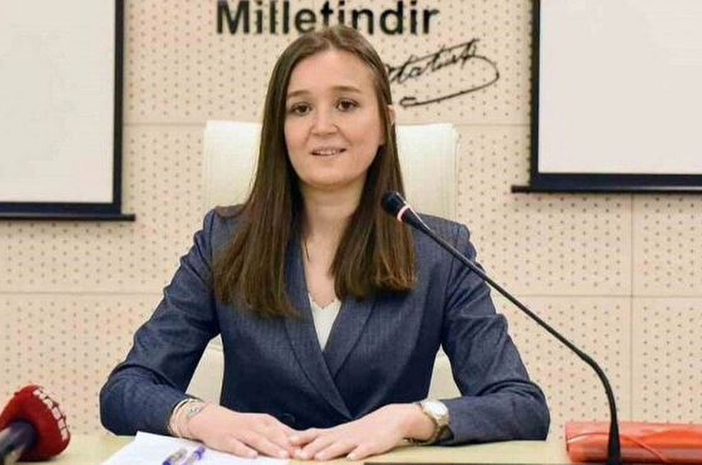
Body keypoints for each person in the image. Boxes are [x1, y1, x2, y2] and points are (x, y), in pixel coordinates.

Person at [100, 25, 549, 461]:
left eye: (346, 104)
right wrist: (201, 417)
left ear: (385, 124)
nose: (322, 126)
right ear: (279, 130)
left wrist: (409, 419)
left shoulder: (439, 252)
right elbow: (125, 390)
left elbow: (522, 406)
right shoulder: (224, 240)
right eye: (300, 109)